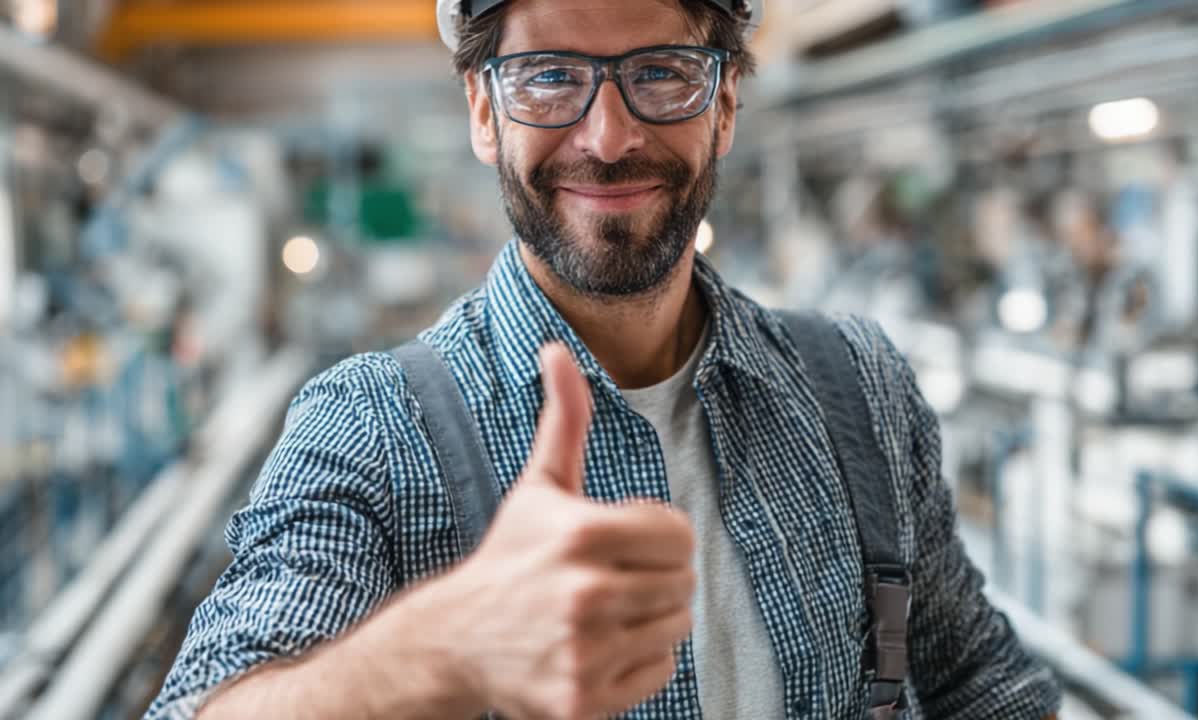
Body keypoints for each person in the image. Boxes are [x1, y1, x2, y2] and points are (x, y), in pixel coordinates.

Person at [146, 0, 1062, 717]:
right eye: (549, 76)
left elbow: (982, 682)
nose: (609, 136)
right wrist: (448, 649)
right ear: (481, 109)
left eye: (662, 73)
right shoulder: (373, 431)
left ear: (727, 104)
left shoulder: (859, 387)